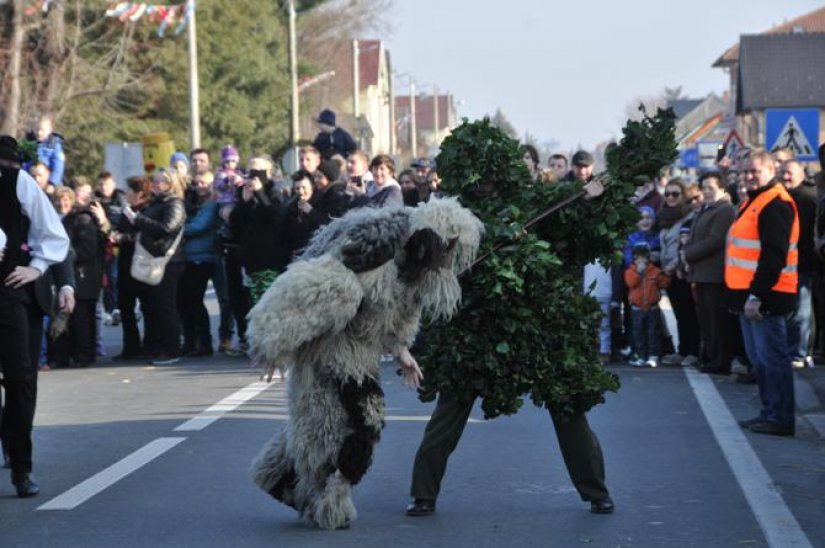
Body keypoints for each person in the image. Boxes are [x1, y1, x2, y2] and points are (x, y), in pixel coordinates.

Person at [405, 126, 618, 519]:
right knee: (450, 409)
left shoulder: (538, 201)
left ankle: (596, 490)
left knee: (567, 407)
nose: (484, 183)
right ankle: (423, 493)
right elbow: (427, 264)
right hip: (475, 327)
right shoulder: (452, 210)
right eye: (477, 176)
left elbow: (575, 227)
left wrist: (591, 201)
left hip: (538, 323)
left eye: (490, 175)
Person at [247, 197, 483, 530]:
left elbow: (402, 310)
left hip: (360, 354)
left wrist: (402, 351)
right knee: (350, 424)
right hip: (327, 353)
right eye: (447, 246)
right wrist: (272, 343)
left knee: (333, 424)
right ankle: (329, 498)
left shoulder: (420, 269)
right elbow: (299, 291)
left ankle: (285, 481)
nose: (449, 255)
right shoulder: (366, 259)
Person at [0, 135, 70, 497]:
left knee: (19, 378)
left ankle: (21, 467)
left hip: (9, 292)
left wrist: (38, 267)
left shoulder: (17, 182)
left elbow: (53, 234)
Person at [730, 149, 799, 437]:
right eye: (745, 171)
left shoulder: (775, 203)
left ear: (771, 169)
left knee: (772, 360)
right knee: (761, 360)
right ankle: (769, 412)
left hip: (767, 296)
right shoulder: (755, 200)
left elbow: (773, 255)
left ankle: (780, 418)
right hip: (751, 295)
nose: (748, 176)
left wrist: (756, 295)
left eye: (754, 171)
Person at [123, 168, 186, 365]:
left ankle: (172, 349)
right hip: (153, 257)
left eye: (160, 182)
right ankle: (160, 347)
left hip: (167, 260)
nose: (155, 185)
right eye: (155, 181)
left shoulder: (174, 203)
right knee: (155, 307)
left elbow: (166, 228)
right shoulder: (157, 203)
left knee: (166, 307)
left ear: (171, 184)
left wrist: (137, 219)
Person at [683, 172, 736, 375]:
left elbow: (715, 240)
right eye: (703, 187)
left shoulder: (724, 210)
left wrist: (688, 254)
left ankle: (720, 360)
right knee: (706, 319)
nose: (706, 192)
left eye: (710, 188)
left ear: (721, 188)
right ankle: (710, 357)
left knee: (716, 321)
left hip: (715, 274)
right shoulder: (706, 208)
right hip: (701, 273)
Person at [230, 155, 288, 306]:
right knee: (248, 307)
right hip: (249, 263)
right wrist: (244, 202)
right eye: (250, 171)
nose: (253, 175)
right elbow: (235, 227)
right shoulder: (243, 191)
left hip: (269, 262)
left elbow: (277, 217)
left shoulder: (274, 191)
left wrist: (260, 192)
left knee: (268, 307)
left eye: (258, 171)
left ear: (268, 173)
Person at [658, 179, 700, 367]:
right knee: (679, 314)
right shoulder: (663, 217)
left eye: (675, 194)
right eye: (667, 194)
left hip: (682, 272)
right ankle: (682, 350)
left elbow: (685, 246)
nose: (671, 198)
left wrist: (673, 265)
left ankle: (693, 351)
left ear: (683, 196)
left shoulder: (688, 217)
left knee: (688, 314)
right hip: (668, 273)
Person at [780, 159, 817, 369]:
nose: (786, 177)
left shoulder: (805, 198)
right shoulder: (787, 197)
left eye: (790, 173)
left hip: (802, 263)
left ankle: (799, 353)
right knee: (792, 311)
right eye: (783, 172)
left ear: (801, 176)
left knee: (801, 311)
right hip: (788, 265)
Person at [111, 176, 152, 360]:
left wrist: (123, 238)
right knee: (125, 307)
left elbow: (143, 235)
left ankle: (151, 344)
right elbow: (120, 229)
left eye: (129, 190)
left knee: (148, 307)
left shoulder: (147, 211)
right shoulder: (125, 211)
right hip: (126, 263)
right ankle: (131, 347)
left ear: (140, 193)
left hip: (143, 263)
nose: (125, 193)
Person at [179, 171, 219, 357]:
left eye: (204, 182)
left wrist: (176, 229)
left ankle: (204, 343)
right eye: (197, 183)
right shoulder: (195, 204)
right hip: (189, 256)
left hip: (203, 257)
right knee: (185, 301)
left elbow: (198, 227)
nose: (200, 186)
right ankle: (189, 341)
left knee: (195, 300)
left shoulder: (212, 205)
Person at [624, 242, 670, 368]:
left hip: (652, 307)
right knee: (638, 333)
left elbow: (664, 284)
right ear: (633, 258)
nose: (641, 260)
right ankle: (641, 356)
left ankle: (653, 356)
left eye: (643, 257)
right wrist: (639, 272)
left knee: (653, 332)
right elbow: (631, 283)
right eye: (637, 258)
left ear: (648, 257)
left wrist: (665, 275)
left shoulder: (654, 271)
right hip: (637, 308)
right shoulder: (630, 271)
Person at [96, 172, 127, 326]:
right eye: (101, 184)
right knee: (105, 280)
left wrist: (116, 234)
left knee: (114, 276)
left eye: (107, 184)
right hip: (100, 244)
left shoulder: (121, 199)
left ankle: (118, 308)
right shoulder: (95, 200)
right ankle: (109, 310)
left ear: (113, 184)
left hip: (117, 243)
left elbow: (125, 219)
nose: (104, 187)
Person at [34, 115, 65, 187]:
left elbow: (58, 166)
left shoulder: (55, 145)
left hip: (48, 181)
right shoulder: (32, 143)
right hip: (34, 178)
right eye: (37, 129)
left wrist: (52, 183)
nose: (39, 133)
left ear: (49, 130)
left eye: (42, 130)